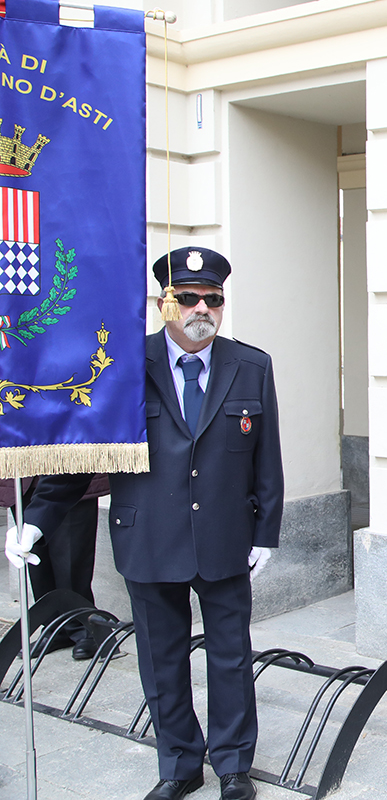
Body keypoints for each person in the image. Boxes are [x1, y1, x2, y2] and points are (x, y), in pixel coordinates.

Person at [6, 247, 282, 800]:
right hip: (148, 534)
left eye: (214, 299)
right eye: (188, 298)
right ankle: (179, 764)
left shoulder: (251, 365)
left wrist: (265, 532)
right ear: (164, 304)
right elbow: (89, 452)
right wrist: (36, 520)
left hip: (225, 535)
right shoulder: (123, 364)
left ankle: (232, 765)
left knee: (230, 655)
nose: (202, 308)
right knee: (162, 659)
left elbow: (266, 459)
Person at [2, 474, 110, 659]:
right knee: (35, 560)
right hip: (23, 468)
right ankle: (54, 628)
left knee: (71, 561)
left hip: (65, 466)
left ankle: (84, 628)